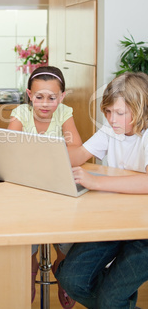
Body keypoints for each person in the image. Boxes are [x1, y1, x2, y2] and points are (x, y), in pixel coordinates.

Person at [55, 71, 148, 309]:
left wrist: (95, 181)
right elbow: (79, 155)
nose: (112, 119)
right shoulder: (110, 130)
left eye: (119, 113)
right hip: (115, 223)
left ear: (141, 110)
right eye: (107, 112)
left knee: (111, 300)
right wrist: (47, 153)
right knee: (70, 279)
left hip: (145, 234)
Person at [8, 66, 82, 307]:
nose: (45, 103)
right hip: (26, 189)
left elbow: (77, 150)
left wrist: (34, 155)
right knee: (27, 242)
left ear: (61, 97)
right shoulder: (20, 113)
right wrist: (52, 154)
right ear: (30, 95)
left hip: (56, 187)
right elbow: (10, 149)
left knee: (64, 241)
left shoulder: (64, 113)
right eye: (39, 97)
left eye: (52, 97)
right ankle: (29, 275)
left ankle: (62, 274)